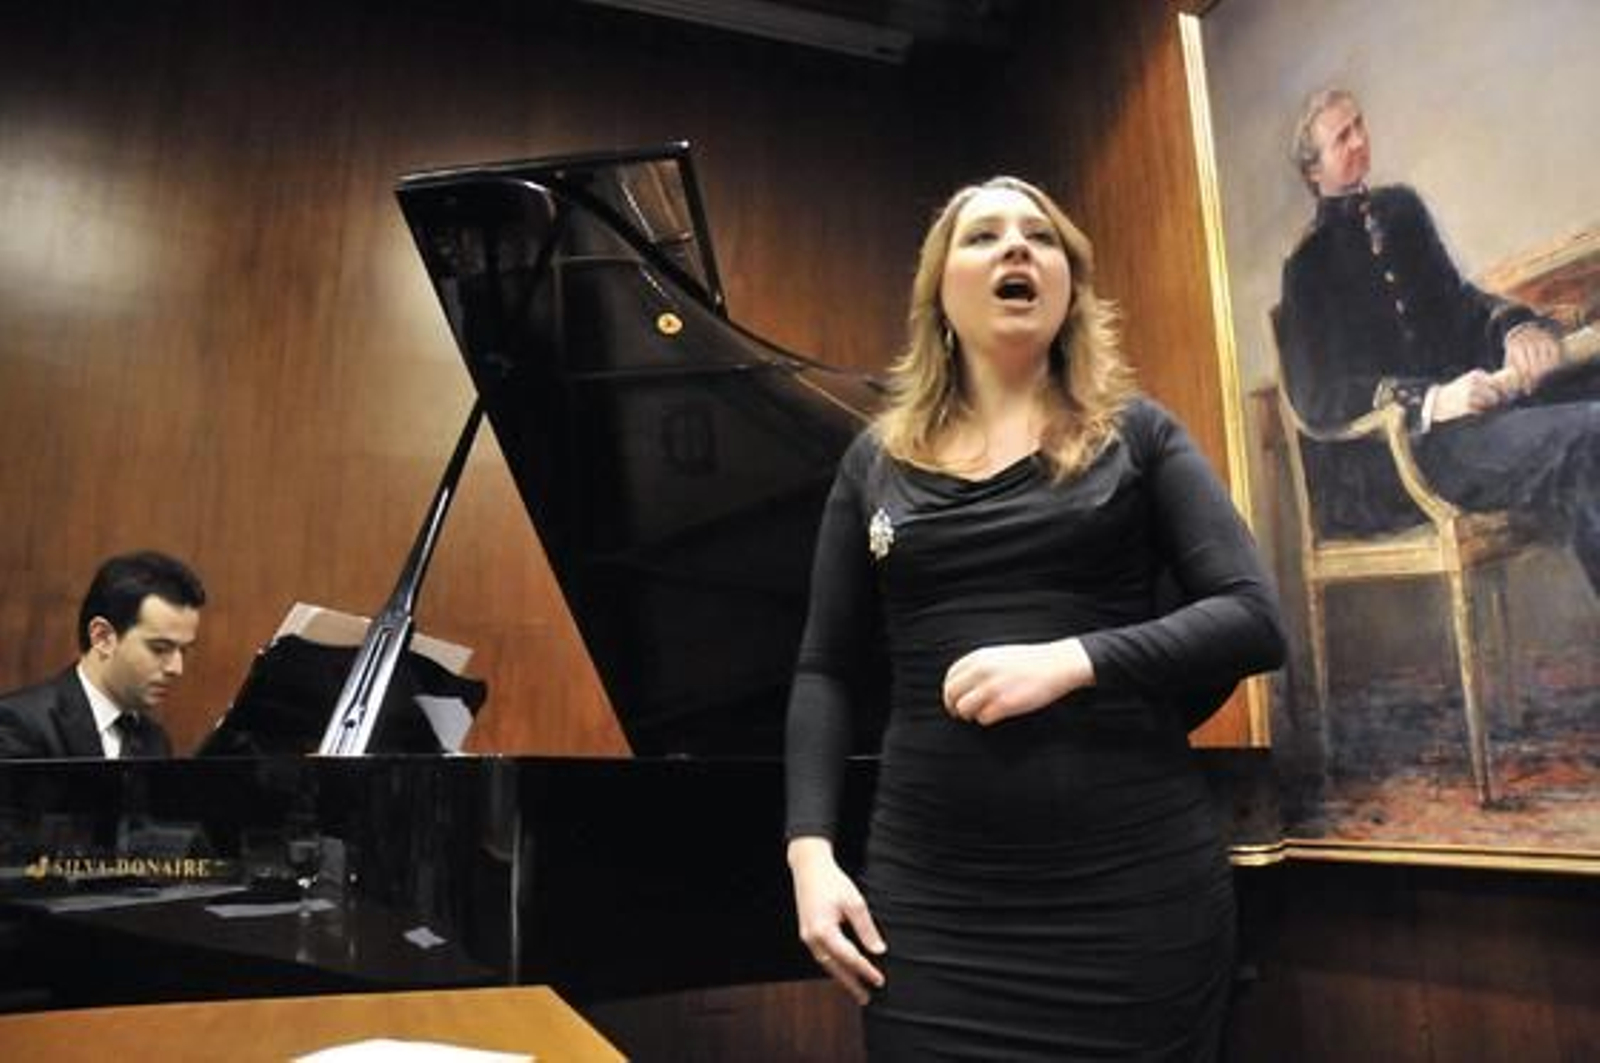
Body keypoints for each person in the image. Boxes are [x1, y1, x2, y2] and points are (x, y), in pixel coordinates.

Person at [784, 176, 1285, 1060]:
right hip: (936, 903)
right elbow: (824, 668)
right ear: (939, 290)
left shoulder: (1138, 434)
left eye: (1040, 237)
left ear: (1070, 287)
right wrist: (809, 855)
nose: (1017, 247)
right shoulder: (874, 462)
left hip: (1134, 896)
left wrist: (1072, 660)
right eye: (984, 237)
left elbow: (1251, 618)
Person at [1277, 87, 1600, 592]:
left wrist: (1515, 328)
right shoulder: (1306, 266)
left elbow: (1460, 303)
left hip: (1479, 415)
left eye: (1360, 125)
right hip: (1410, 456)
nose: (1361, 140)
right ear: (1313, 171)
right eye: (1343, 137)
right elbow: (1319, 396)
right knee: (1588, 431)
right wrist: (1433, 400)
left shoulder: (1402, 211)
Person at [0, 550, 205, 759]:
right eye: (159, 648)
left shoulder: (154, 741)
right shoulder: (18, 725)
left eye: (184, 650)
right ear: (102, 637)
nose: (177, 669)